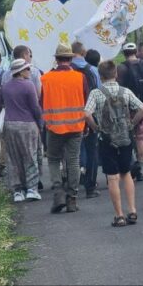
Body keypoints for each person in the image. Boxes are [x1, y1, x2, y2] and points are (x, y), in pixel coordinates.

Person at [83, 60, 143, 227]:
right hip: (125, 137)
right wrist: (131, 124)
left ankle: (119, 215)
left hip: (107, 139)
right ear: (116, 74)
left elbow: (86, 114)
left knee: (112, 177)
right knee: (126, 173)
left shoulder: (96, 93)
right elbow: (142, 109)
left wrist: (96, 128)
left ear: (100, 75)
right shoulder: (125, 91)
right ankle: (132, 210)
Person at [42, 43, 88, 214]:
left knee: (53, 159)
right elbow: (86, 100)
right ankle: (72, 199)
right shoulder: (80, 77)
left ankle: (58, 192)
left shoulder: (45, 78)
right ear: (71, 58)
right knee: (73, 160)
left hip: (54, 126)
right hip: (76, 125)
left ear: (56, 59)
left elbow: (41, 102)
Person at [0, 59, 44, 202]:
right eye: (27, 69)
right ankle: (32, 189)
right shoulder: (28, 85)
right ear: (20, 71)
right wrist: (40, 124)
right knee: (30, 157)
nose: (29, 71)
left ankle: (17, 191)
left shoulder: (5, 87)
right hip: (28, 125)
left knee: (14, 158)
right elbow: (35, 108)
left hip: (10, 124)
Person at [117, 43, 143, 182]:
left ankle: (130, 165)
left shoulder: (121, 68)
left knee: (127, 137)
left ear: (124, 53)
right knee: (140, 138)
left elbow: (119, 88)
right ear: (135, 51)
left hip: (127, 107)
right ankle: (139, 166)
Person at [70, 42, 102, 199]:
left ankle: (71, 184)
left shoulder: (66, 71)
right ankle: (90, 185)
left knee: (71, 151)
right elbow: (98, 93)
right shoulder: (93, 70)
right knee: (92, 150)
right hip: (90, 113)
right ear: (83, 52)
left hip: (69, 115)